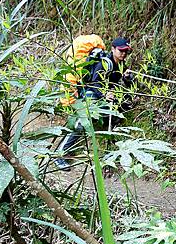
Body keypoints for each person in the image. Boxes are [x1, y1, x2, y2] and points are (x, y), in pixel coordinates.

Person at [54, 37, 134, 170]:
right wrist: (104, 94)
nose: (123, 54)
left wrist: (126, 79)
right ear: (113, 49)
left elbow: (118, 83)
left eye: (126, 51)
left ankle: (110, 124)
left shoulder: (120, 65)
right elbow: (94, 84)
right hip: (87, 93)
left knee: (122, 104)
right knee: (81, 124)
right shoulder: (105, 63)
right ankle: (60, 155)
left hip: (100, 96)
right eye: (121, 51)